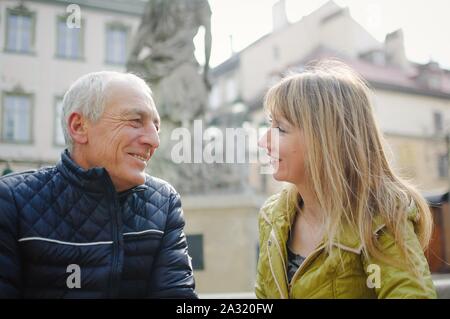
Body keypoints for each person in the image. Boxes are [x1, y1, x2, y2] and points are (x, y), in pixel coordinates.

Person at [0, 71, 197, 298]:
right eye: (135, 121)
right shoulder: (10, 201)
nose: (154, 141)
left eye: (156, 127)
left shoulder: (163, 202)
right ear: (79, 127)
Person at [256, 61, 437, 299]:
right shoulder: (272, 216)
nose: (264, 142)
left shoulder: (381, 216)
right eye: (270, 125)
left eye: (281, 129)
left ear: (325, 140)